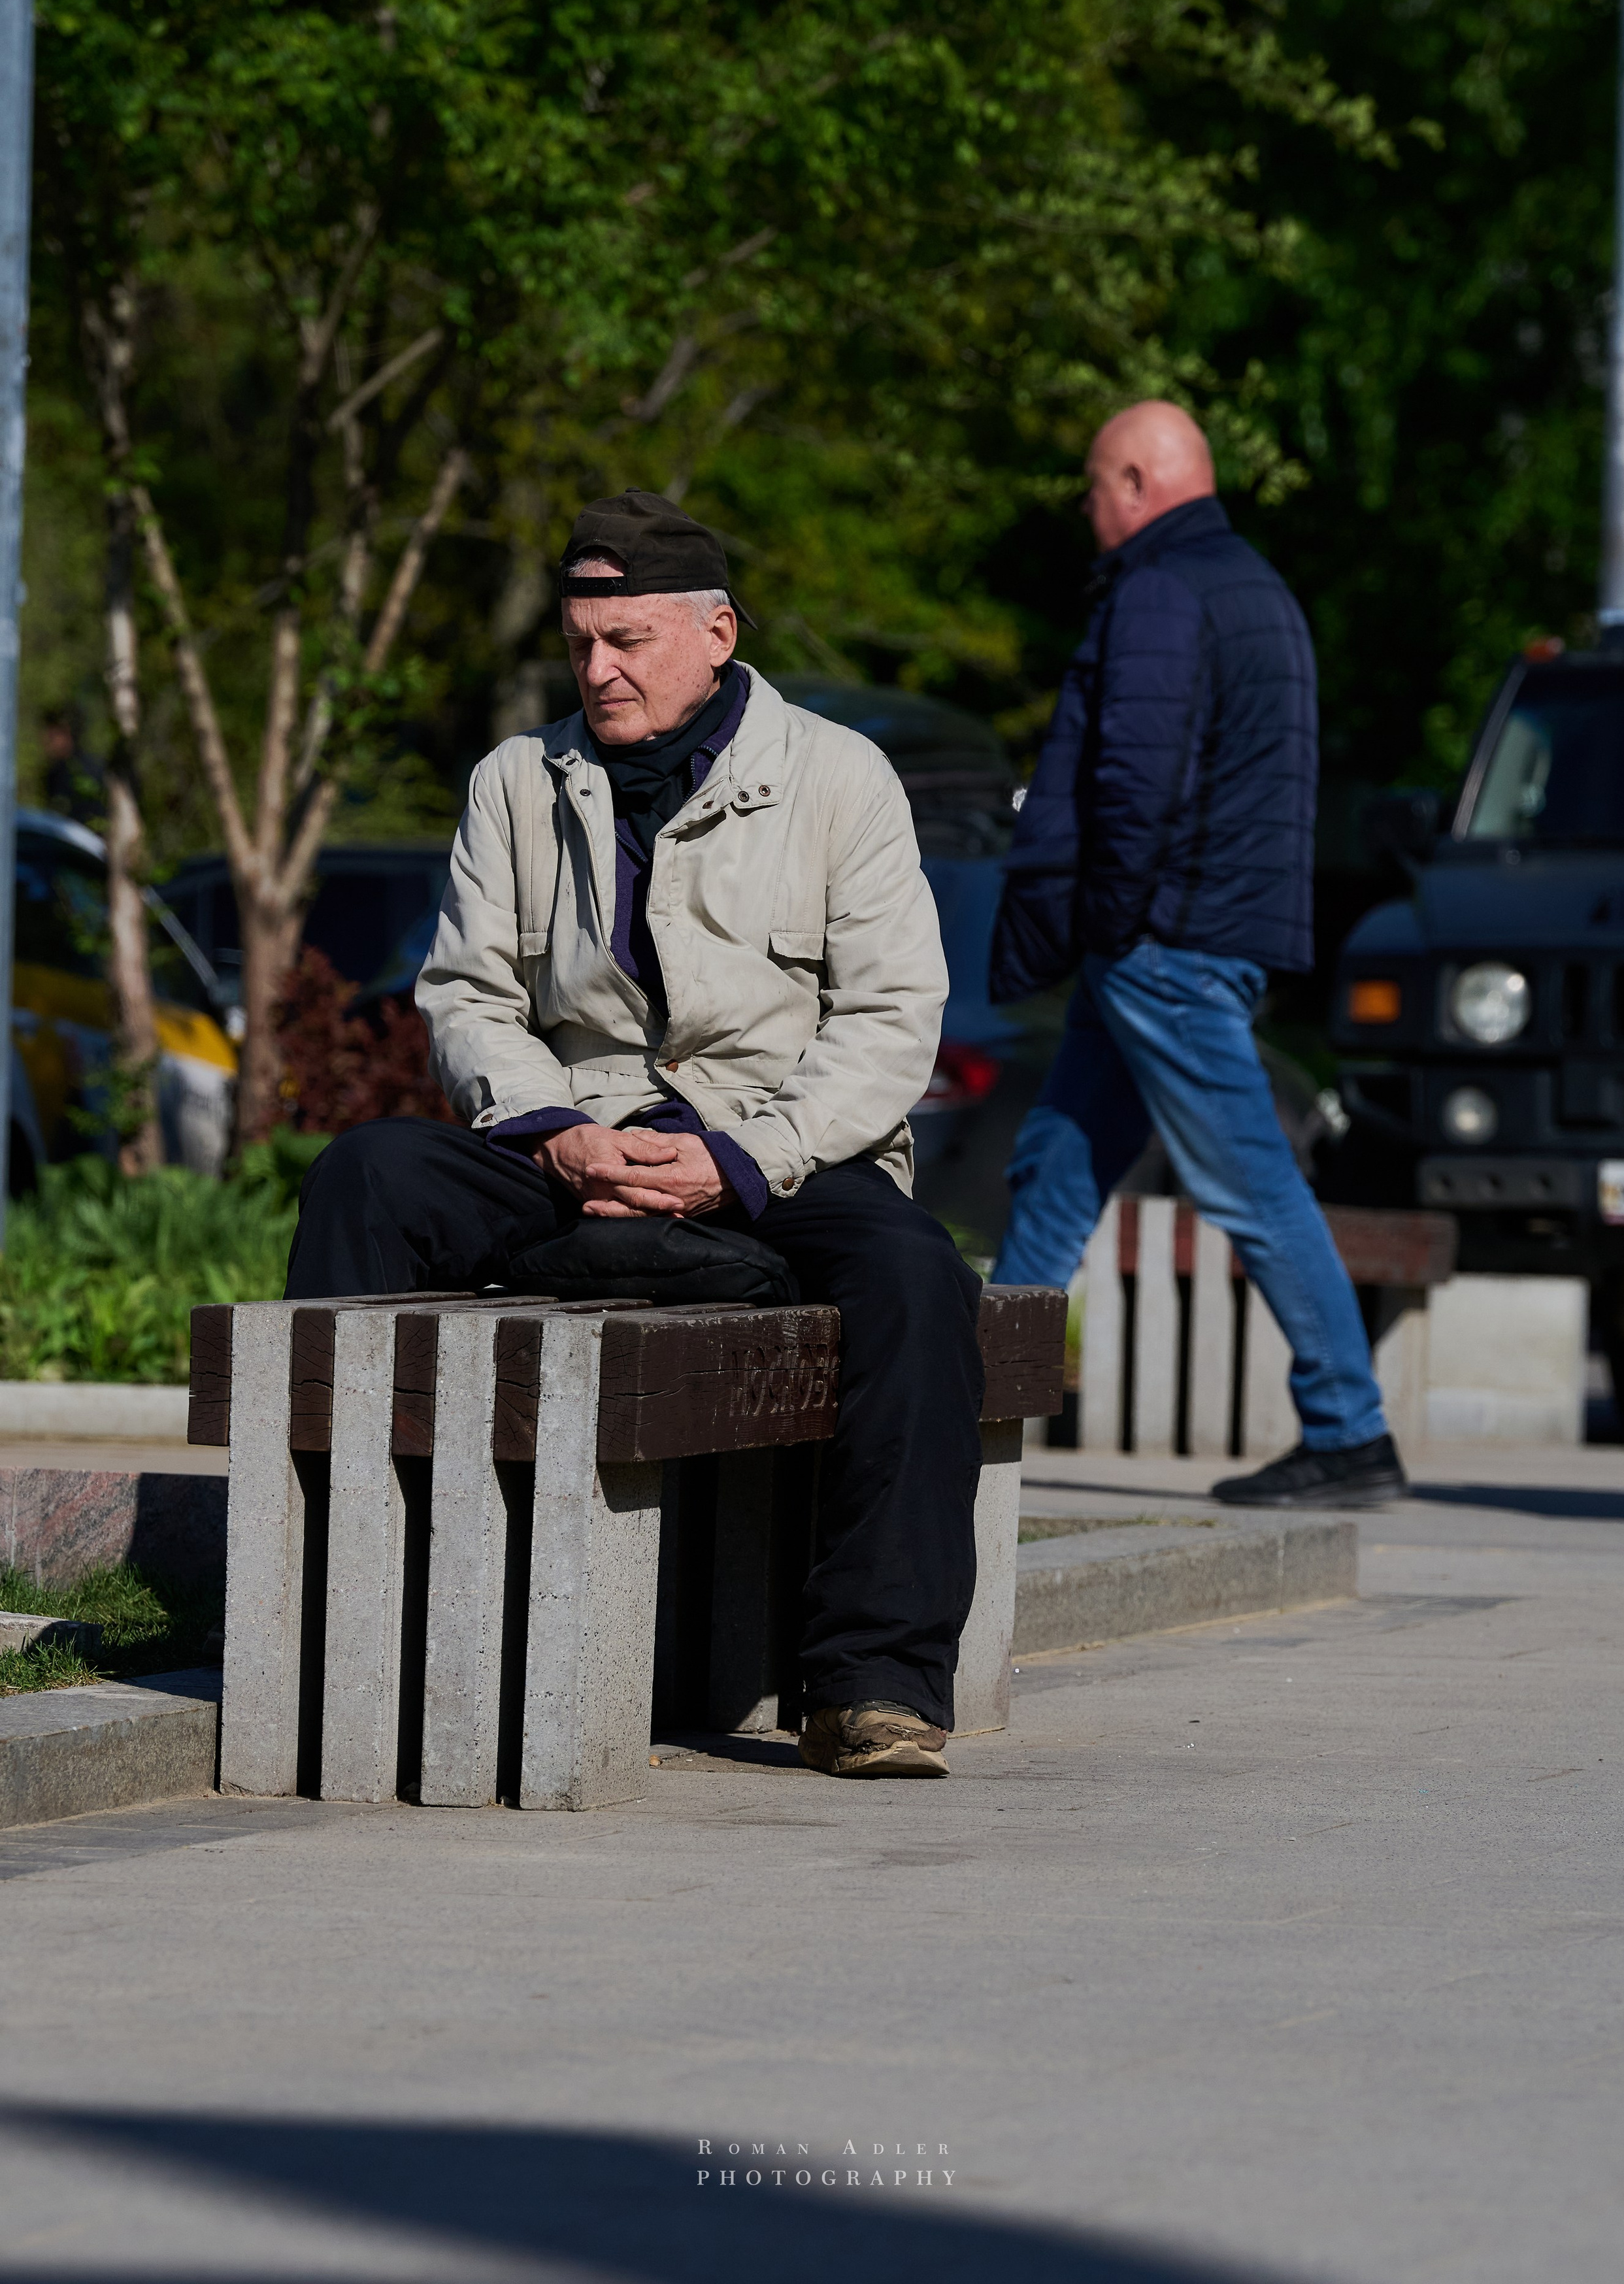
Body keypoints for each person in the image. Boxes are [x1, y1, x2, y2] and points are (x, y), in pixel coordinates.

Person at [286, 488, 983, 1778]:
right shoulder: (516, 781)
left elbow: (892, 1022)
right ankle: (339, 1618)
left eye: (627, 641)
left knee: (917, 1275)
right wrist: (556, 1130)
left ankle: (873, 1684)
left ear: (716, 633)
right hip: (579, 1145)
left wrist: (737, 1160)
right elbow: (468, 996)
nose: (598, 670)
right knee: (368, 1177)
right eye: (579, 646)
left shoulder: (839, 778)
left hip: (778, 1155)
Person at [990, 404, 1403, 1508]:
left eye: (1093, 487)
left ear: (1135, 481)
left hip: (1165, 943)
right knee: (1056, 1162)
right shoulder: (1253, 585)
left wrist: (1113, 919)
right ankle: (971, 1410)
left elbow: (1136, 778)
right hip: (1188, 934)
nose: (1088, 510)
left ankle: (1351, 1431)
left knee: (1252, 1183)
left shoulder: (1163, 590)